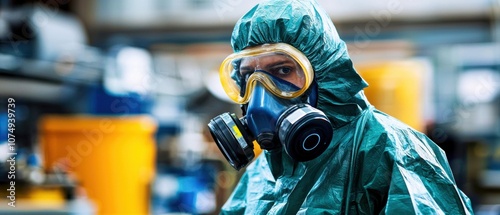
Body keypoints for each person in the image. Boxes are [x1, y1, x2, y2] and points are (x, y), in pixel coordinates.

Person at [207, 0, 474, 214]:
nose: (262, 95)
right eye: (248, 77)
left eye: (284, 69)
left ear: (323, 72)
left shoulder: (392, 150)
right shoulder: (263, 170)